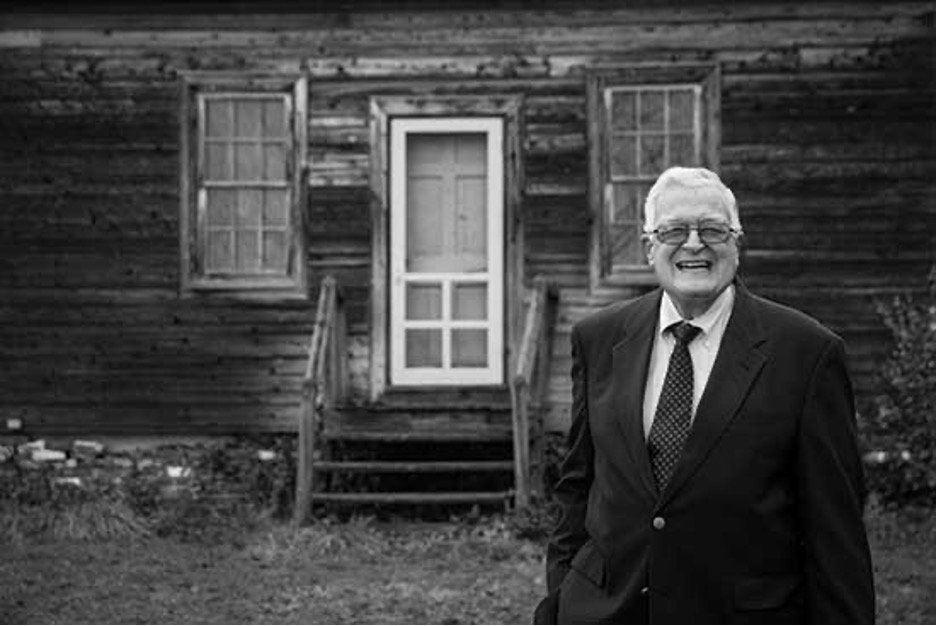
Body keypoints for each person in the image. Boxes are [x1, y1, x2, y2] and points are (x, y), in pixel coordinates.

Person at [534, 166, 875, 624]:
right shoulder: (598, 339)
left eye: (713, 229)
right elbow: (577, 487)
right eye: (674, 230)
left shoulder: (807, 353)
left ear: (737, 242)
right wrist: (561, 601)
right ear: (649, 246)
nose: (694, 243)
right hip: (604, 612)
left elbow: (835, 531)